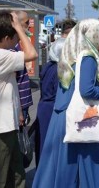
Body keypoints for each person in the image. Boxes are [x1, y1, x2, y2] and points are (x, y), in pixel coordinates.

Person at [32, 19, 99, 188]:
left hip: (62, 115)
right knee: (87, 167)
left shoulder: (70, 54)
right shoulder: (88, 57)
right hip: (80, 119)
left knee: (60, 168)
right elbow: (86, 90)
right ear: (93, 36)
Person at [0, 11, 38, 188]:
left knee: (16, 177)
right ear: (5, 38)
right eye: (15, 39)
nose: (17, 42)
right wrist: (19, 27)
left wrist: (18, 111)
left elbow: (10, 86)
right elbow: (32, 53)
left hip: (6, 126)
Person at [34, 38, 65, 166]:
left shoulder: (48, 66)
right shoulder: (59, 69)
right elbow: (60, 93)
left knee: (42, 145)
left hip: (43, 107)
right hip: (52, 109)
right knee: (51, 147)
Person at [12, 11, 34, 126]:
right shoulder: (13, 49)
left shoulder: (17, 46)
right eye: (26, 22)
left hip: (23, 104)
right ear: (18, 24)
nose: (29, 25)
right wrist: (19, 110)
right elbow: (13, 83)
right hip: (19, 105)